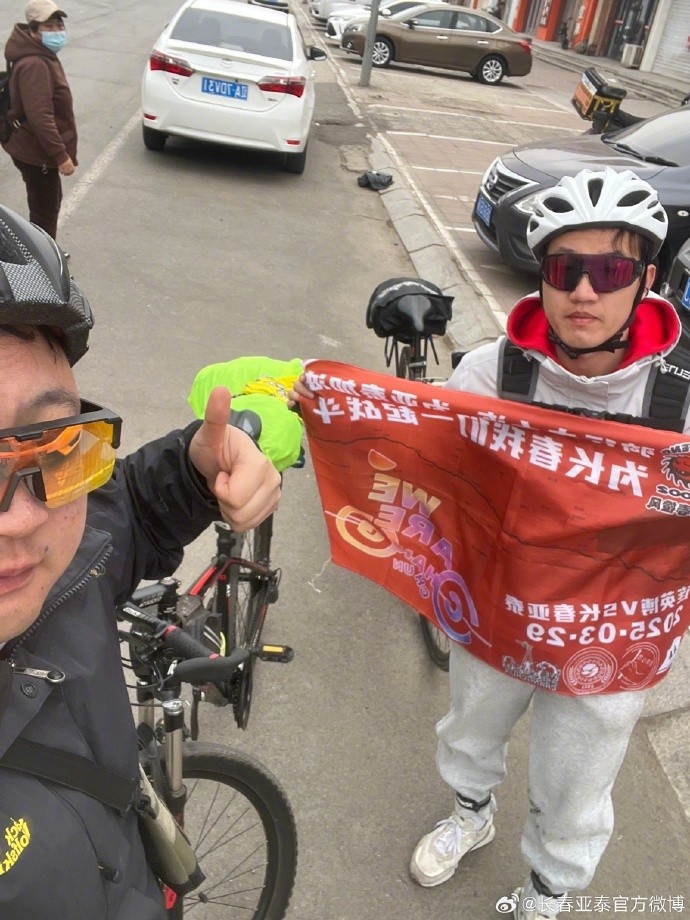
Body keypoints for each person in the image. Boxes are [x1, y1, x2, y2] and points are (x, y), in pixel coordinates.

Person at [290, 166, 685, 919]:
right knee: (469, 732)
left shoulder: (681, 399)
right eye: (565, 269)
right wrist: (324, 405)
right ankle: (471, 813)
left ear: (647, 280)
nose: (585, 292)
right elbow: (417, 455)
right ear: (543, 276)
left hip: (610, 634)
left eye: (610, 271)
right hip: (496, 607)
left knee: (575, 784)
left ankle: (550, 889)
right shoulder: (488, 372)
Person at [0, 204, 281, 918]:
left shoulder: (60, 567)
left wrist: (194, 471)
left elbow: (121, 511)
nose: (25, 518)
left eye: (52, 445)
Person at [2, 0, 76, 245]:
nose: (57, 32)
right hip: (36, 150)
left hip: (34, 147)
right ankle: (42, 259)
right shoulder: (35, 64)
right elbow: (40, 116)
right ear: (34, 31)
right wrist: (60, 155)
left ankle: (45, 252)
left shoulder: (42, 55)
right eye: (49, 27)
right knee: (44, 211)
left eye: (59, 26)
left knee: (48, 203)